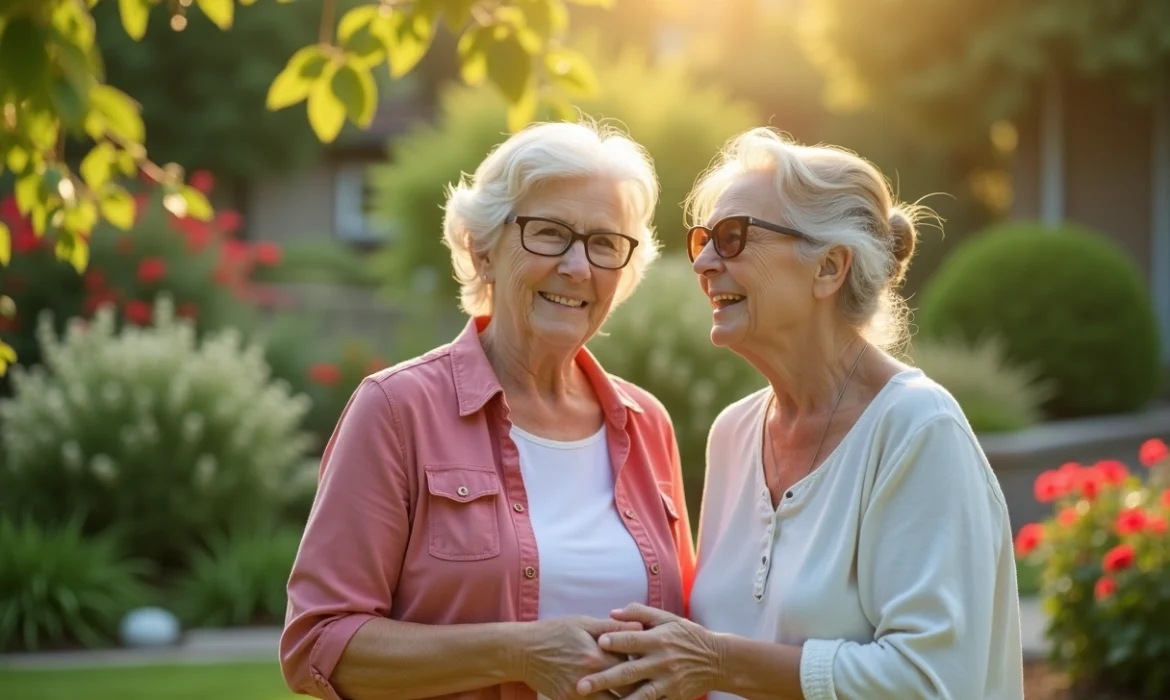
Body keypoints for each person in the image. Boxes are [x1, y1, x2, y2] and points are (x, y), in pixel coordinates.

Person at [575, 127, 1025, 700]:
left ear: (829, 268)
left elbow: (930, 681)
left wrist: (716, 662)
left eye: (734, 237)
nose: (705, 262)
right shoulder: (733, 434)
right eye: (703, 240)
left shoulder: (917, 429)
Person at [279, 121, 696, 700]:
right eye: (549, 233)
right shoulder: (397, 411)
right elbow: (319, 644)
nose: (579, 266)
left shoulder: (646, 422)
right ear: (483, 249)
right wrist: (519, 653)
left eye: (604, 243)